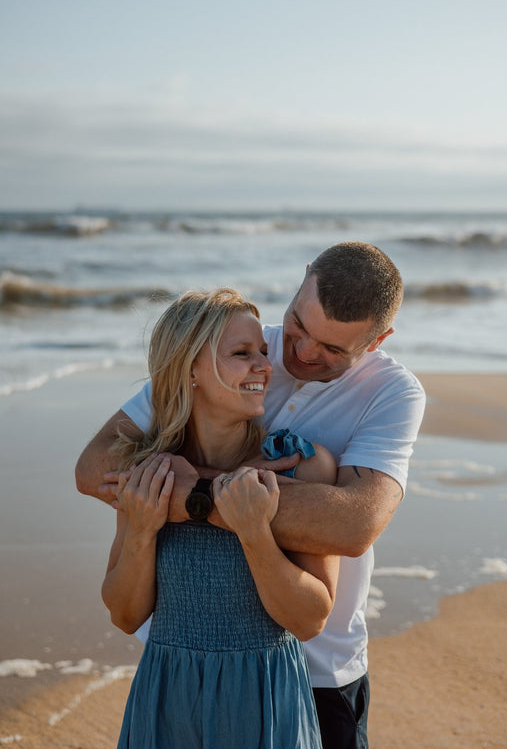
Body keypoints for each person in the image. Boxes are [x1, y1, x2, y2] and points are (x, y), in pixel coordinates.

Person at [76, 241, 426, 749]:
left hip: (319, 669)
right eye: (299, 327)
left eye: (333, 350)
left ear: (378, 340)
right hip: (177, 669)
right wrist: (215, 493)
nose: (300, 354)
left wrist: (204, 495)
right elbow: (96, 467)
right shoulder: (225, 345)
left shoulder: (391, 394)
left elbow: (352, 526)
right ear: (303, 279)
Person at [102, 287, 339, 748]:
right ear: (190, 368)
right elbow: (125, 615)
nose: (265, 367)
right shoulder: (149, 468)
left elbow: (311, 620)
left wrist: (253, 532)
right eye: (242, 353)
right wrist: (143, 529)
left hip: (265, 698)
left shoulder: (300, 465)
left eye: (263, 354)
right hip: (168, 696)